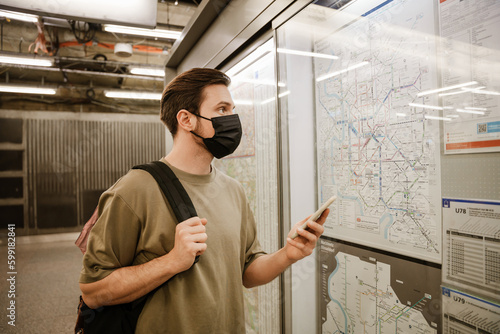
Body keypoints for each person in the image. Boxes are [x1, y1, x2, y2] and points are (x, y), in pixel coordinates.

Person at [79, 68, 329, 333]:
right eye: (221, 109)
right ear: (186, 119)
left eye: (232, 109)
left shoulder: (233, 190)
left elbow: (247, 272)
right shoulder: (134, 190)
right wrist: (172, 260)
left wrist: (288, 255)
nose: (232, 118)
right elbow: (94, 292)